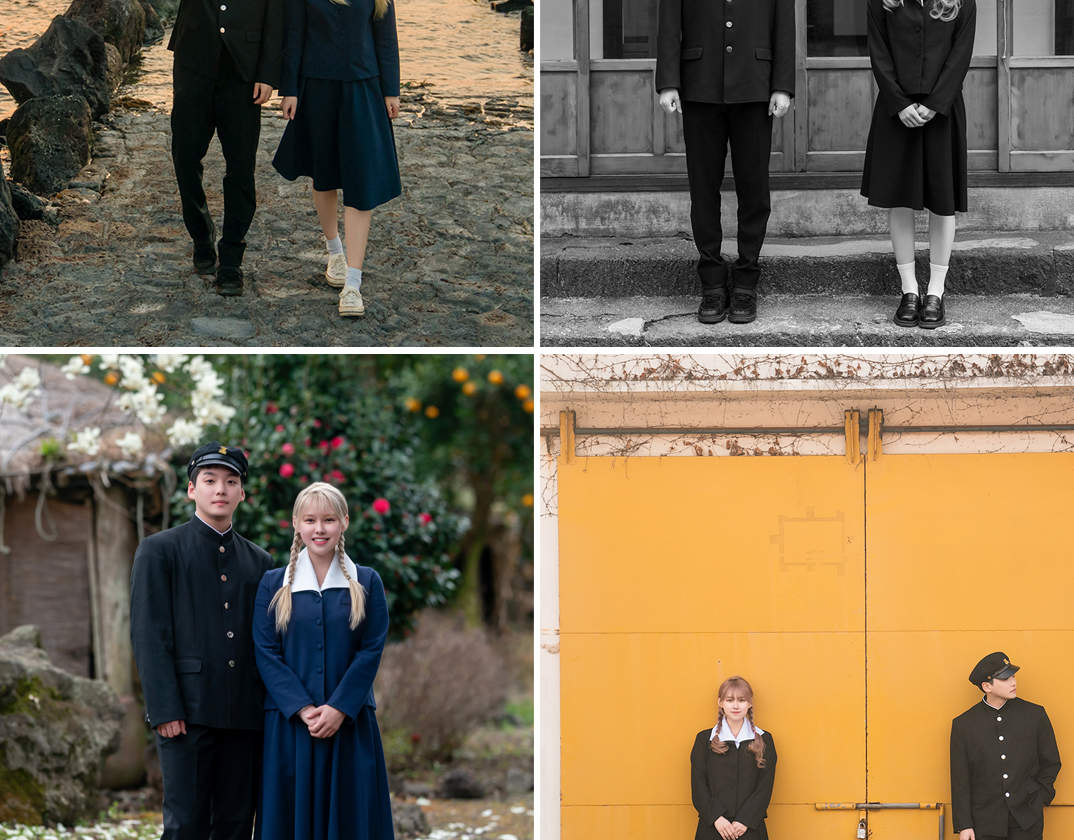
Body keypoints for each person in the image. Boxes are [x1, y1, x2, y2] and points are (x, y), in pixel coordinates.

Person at [130, 442, 273, 840]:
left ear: (242, 493)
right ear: (192, 489)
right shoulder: (159, 551)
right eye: (209, 480)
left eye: (231, 482)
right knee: (185, 825)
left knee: (235, 825)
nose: (220, 490)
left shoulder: (261, 562)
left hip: (245, 717)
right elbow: (148, 635)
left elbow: (265, 642)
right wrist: (163, 709)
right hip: (185, 716)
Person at [253, 482, 393, 840]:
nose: (319, 529)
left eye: (329, 520)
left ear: (344, 522)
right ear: (296, 524)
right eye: (311, 520)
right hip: (289, 727)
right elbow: (266, 652)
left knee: (350, 820)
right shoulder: (272, 585)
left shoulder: (367, 581)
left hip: (349, 724)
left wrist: (338, 708)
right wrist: (301, 707)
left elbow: (371, 649)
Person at [655, 0, 794, 326]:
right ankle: (712, 284)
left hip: (756, 85)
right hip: (698, 85)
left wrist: (783, 86)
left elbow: (785, 26)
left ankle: (746, 281)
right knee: (703, 190)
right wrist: (668, 81)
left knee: (755, 190)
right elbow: (669, 23)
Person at [272, 0, 402, 318]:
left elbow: (386, 37)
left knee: (361, 185)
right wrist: (289, 89)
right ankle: (335, 254)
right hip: (317, 89)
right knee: (324, 177)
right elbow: (294, 36)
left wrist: (391, 90)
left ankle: (353, 285)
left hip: (364, 89)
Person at [861, 0, 976, 329]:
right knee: (899, 200)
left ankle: (935, 292)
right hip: (896, 112)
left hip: (944, 111)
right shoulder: (882, 2)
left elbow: (960, 56)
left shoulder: (963, 3)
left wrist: (935, 104)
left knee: (943, 203)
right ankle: (909, 290)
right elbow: (878, 53)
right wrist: (899, 103)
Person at [168, 0, 282, 296]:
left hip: (243, 72)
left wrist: (268, 74)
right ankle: (201, 235)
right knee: (185, 156)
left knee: (241, 168)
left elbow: (276, 15)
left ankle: (231, 259)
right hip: (193, 63)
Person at [950, 652, 1061, 840]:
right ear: (987, 686)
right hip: (984, 823)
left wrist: (1040, 797)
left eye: (1013, 676)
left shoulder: (1035, 715)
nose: (1013, 682)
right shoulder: (964, 725)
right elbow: (960, 780)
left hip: (1027, 821)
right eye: (1005, 678)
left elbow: (1051, 762)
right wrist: (964, 824)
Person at [690, 676, 777, 840]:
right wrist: (716, 817)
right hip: (713, 829)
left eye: (742, 700)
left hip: (750, 830)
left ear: (749, 703)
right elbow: (698, 784)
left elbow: (764, 787)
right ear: (720, 703)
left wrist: (745, 820)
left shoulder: (765, 740)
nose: (736, 705)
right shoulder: (704, 740)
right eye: (730, 700)